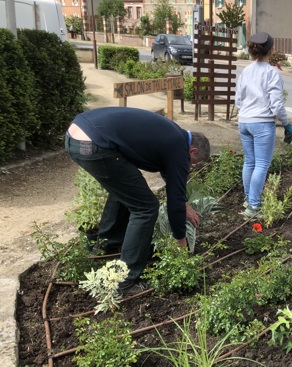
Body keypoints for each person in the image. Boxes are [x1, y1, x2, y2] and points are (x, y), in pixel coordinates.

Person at [65, 107, 211, 294]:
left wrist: (184, 202)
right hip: (94, 145)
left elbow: (172, 179)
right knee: (146, 207)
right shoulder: (179, 148)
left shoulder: (173, 134)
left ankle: (107, 246)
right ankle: (125, 280)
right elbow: (173, 202)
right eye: (192, 163)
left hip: (76, 134)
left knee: (126, 192)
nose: (188, 166)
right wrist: (180, 242)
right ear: (193, 150)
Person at [235, 32, 292, 218]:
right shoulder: (271, 73)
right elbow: (276, 105)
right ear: (271, 51)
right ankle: (253, 207)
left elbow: (238, 100)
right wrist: (286, 124)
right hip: (262, 124)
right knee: (261, 164)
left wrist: (246, 112)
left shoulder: (246, 71)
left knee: (250, 162)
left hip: (244, 122)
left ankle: (248, 200)